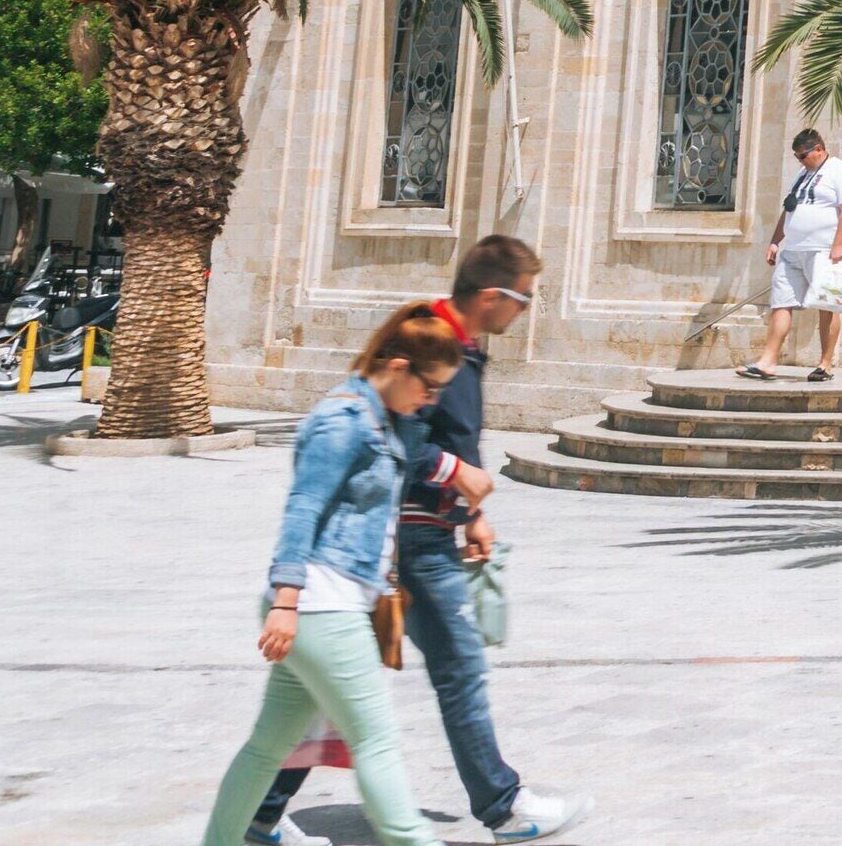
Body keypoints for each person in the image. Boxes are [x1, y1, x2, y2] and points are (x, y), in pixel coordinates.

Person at [237, 237, 586, 846]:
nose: (527, 311)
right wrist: (456, 477)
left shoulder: (461, 349)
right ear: (490, 296)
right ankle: (504, 809)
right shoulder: (427, 345)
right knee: (456, 671)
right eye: (523, 299)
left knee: (324, 691)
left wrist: (471, 512)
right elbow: (396, 437)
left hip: (417, 535)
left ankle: (258, 813)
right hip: (406, 540)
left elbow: (454, 435)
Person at [198, 304, 476, 846]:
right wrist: (285, 600)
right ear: (398, 366)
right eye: (429, 386)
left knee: (266, 748)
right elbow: (302, 510)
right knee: (376, 740)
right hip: (320, 605)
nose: (431, 400)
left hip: (328, 604)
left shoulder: (381, 418)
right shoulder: (341, 421)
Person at [742, 129, 842, 382]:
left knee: (827, 304)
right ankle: (768, 361)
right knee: (781, 302)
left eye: (803, 155)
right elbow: (789, 208)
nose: (800, 160)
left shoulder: (841, 171)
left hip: (823, 250)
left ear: (818, 149)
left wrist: (838, 244)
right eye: (797, 156)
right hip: (793, 249)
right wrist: (775, 241)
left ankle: (825, 364)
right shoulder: (802, 174)